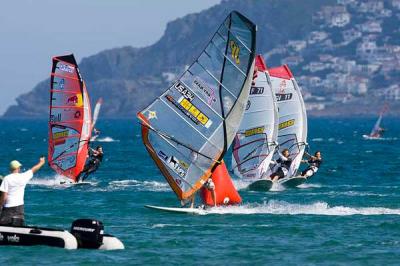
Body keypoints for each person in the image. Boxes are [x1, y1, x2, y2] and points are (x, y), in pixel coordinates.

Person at [0, 157, 45, 226]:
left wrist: (1, 205)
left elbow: (4, 196)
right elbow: (34, 169)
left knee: (4, 229)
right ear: (18, 168)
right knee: (18, 230)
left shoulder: (6, 178)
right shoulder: (23, 176)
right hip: (19, 209)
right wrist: (41, 162)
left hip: (8, 208)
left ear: (10, 169)